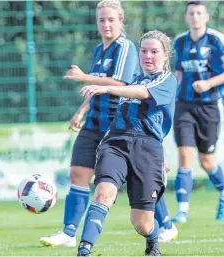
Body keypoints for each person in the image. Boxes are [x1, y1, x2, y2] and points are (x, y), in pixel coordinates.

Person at [40, 0, 139, 247]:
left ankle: (165, 224)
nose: (106, 24)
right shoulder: (99, 50)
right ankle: (68, 232)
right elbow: (97, 88)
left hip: (117, 124)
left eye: (111, 19)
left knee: (139, 178)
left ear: (121, 20)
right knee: (78, 173)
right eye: (102, 19)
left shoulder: (124, 47)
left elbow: (122, 85)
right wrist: (81, 111)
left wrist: (84, 76)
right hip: (93, 122)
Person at [76, 30, 177, 257]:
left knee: (142, 223)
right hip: (116, 143)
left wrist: (106, 87)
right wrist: (83, 109)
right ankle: (84, 250)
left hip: (147, 148)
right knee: (103, 193)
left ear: (166, 55)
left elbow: (142, 93)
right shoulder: (133, 79)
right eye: (143, 51)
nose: (147, 56)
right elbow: (123, 90)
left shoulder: (167, 80)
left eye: (154, 51)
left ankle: (153, 240)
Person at [172, 1, 224, 224]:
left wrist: (208, 84)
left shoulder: (217, 40)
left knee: (206, 161)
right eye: (191, 13)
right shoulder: (180, 42)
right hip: (184, 105)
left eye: (199, 13)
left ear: (206, 16)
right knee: (185, 156)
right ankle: (182, 211)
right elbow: (177, 72)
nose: (195, 16)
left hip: (209, 105)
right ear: (186, 17)